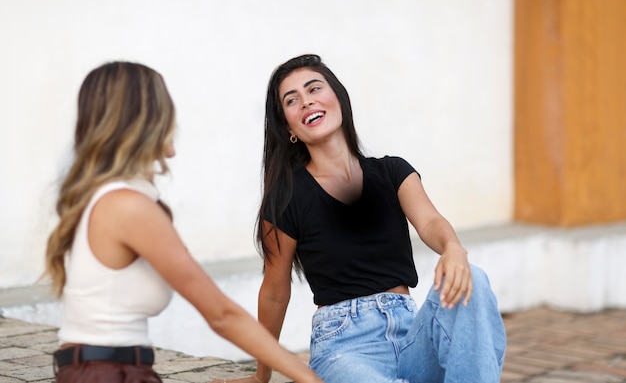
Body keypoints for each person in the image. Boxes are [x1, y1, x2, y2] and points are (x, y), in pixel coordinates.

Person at [228, 54, 507, 383]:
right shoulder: (285, 198)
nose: (306, 102)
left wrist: (453, 249)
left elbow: (430, 222)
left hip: (412, 336)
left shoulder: (392, 172)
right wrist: (262, 375)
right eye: (292, 100)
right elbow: (275, 291)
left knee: (472, 278)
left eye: (314, 88)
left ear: (337, 98)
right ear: (289, 126)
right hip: (343, 349)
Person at [44, 61, 324, 383]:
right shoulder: (127, 207)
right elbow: (220, 314)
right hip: (107, 374)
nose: (173, 121)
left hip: (109, 370)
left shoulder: (117, 198)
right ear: (147, 119)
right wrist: (306, 377)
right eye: (166, 108)